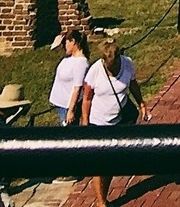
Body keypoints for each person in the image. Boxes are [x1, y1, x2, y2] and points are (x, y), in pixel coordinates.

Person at [78, 33, 143, 207]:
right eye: (108, 67)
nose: (110, 70)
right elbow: (87, 98)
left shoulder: (127, 64)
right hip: (99, 122)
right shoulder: (95, 71)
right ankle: (100, 202)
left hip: (119, 119)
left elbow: (133, 84)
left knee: (112, 163)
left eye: (113, 67)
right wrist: (85, 121)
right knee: (101, 165)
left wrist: (141, 103)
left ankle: (104, 196)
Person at [48, 30, 90, 127]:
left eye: (66, 42)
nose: (64, 45)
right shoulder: (69, 57)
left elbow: (77, 89)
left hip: (67, 107)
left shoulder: (81, 63)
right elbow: (54, 49)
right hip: (60, 104)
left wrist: (71, 111)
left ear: (73, 41)